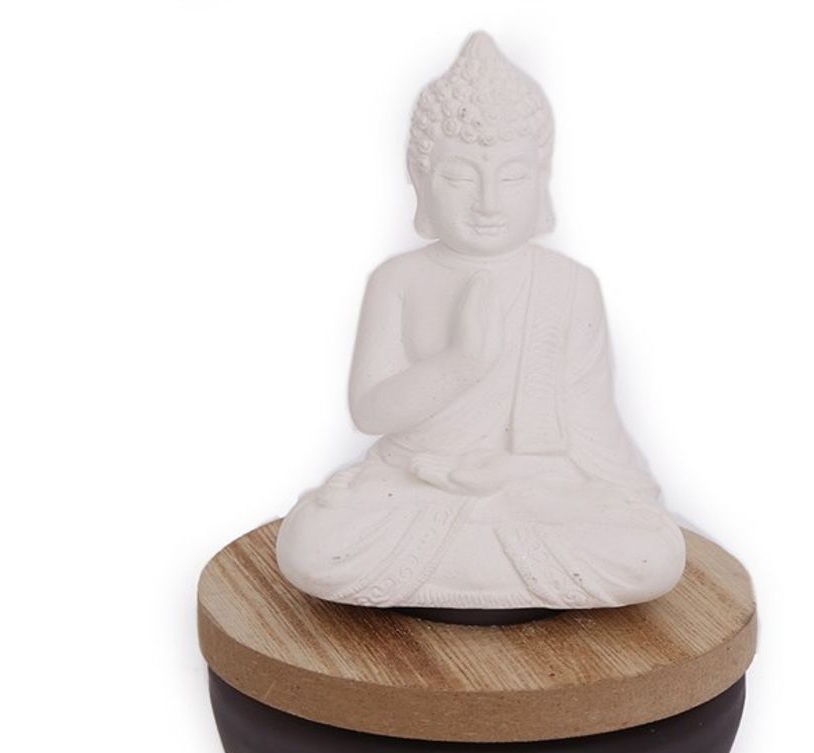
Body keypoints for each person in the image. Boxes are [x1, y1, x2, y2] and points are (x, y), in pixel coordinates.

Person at [276, 32, 685, 613]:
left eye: (512, 178)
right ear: (420, 179)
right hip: (413, 481)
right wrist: (462, 363)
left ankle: (474, 545)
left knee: (652, 553)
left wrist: (515, 475)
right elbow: (370, 412)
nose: (488, 203)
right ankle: (501, 562)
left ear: (542, 178)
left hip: (530, 489)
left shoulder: (568, 286)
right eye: (460, 178)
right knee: (313, 545)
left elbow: (595, 440)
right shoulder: (398, 280)